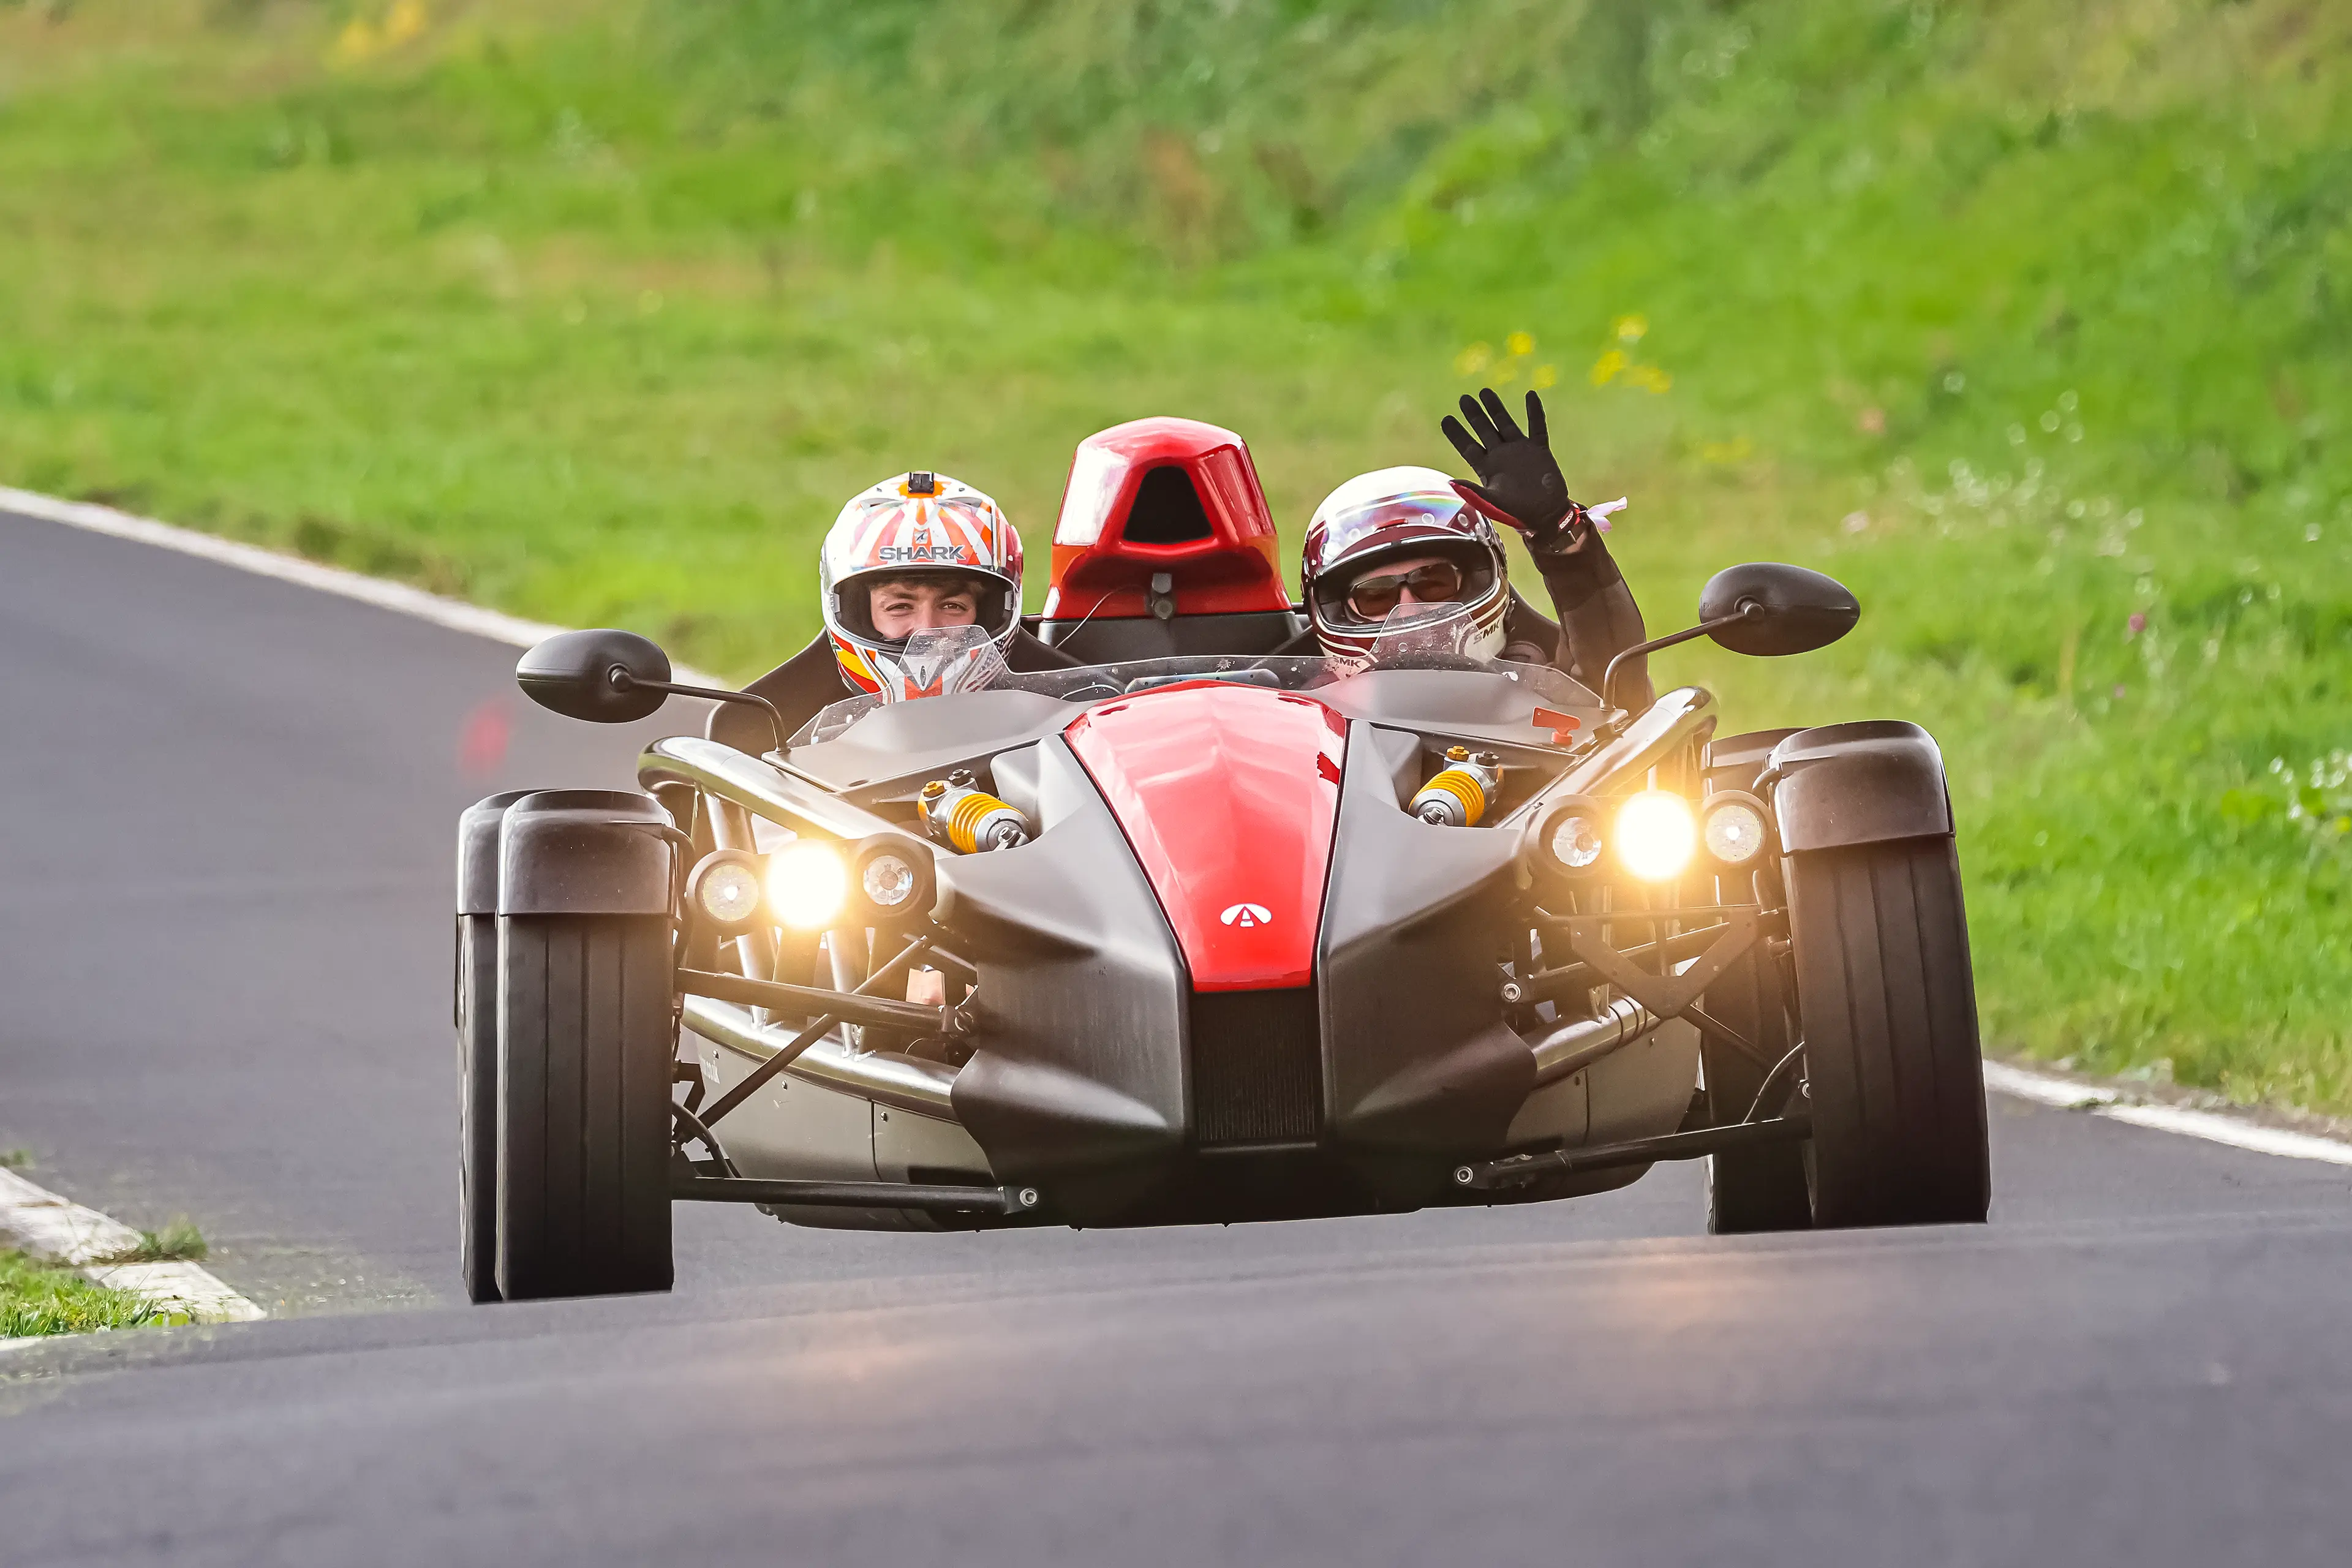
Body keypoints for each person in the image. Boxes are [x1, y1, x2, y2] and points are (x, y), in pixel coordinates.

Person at [1286, 388, 1651, 706]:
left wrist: (1558, 532)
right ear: (1335, 611)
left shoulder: (1543, 691)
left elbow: (1618, 690)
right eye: (1376, 596)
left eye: (1433, 582)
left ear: (1478, 580)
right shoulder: (1293, 722)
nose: (1410, 612)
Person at [725, 470, 1080, 747]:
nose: (927, 628)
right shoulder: (757, 723)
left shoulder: (1081, 705)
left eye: (952, 605)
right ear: (854, 610)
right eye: (900, 606)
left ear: (991, 611)